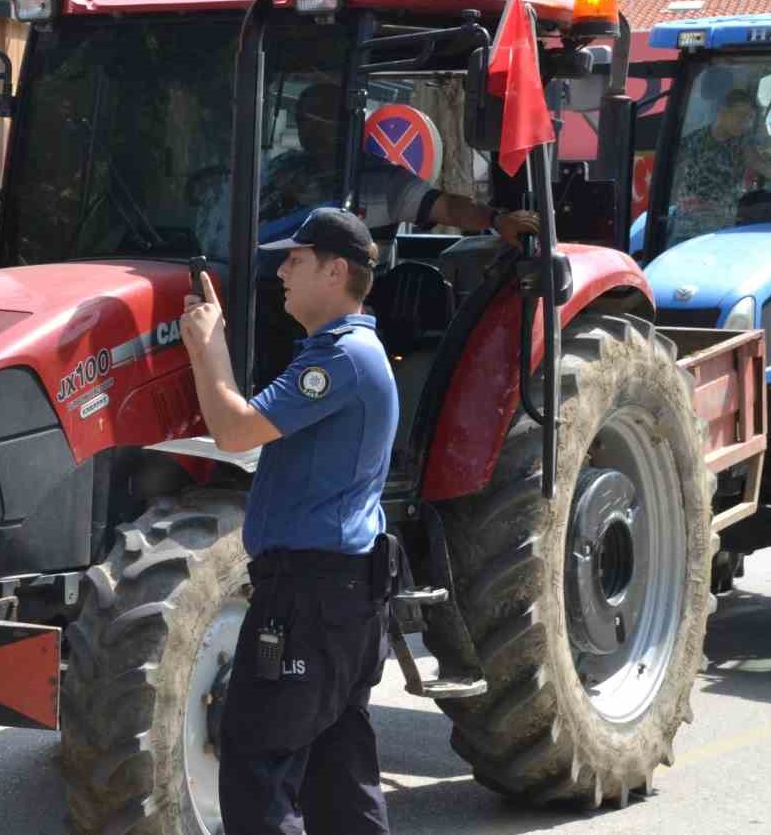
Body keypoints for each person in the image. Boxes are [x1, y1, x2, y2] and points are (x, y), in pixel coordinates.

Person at [179, 207, 396, 835]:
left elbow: (234, 428)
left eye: (295, 259)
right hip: (338, 593)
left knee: (257, 764)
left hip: (310, 595)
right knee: (338, 774)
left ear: (336, 270)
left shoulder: (343, 358)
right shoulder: (346, 353)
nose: (281, 270)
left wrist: (208, 348)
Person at [267, 82, 540, 245]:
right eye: (304, 119)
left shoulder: (384, 181)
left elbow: (449, 207)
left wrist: (496, 219)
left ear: (347, 124)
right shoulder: (283, 168)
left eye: (320, 119)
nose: (309, 129)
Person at [672, 87, 771, 237]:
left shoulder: (743, 144)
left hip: (721, 230)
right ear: (723, 112)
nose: (746, 123)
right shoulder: (693, 141)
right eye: (741, 116)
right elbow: (672, 179)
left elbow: (762, 165)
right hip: (687, 227)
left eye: (749, 118)